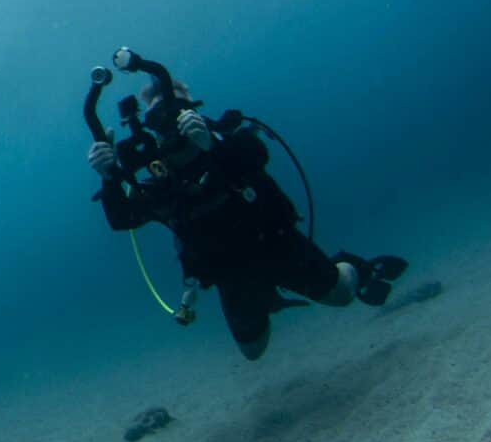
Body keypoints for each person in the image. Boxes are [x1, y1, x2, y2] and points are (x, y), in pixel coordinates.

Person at [86, 49, 407, 360]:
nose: (171, 126)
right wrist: (109, 178)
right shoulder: (161, 180)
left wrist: (213, 144)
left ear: (193, 111)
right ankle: (268, 300)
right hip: (228, 271)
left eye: (178, 112)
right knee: (252, 351)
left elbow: (256, 156)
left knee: (341, 294)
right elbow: (122, 218)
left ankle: (354, 268)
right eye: (160, 119)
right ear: (152, 128)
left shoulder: (228, 141)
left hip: (276, 243)